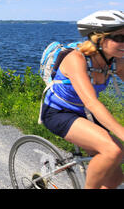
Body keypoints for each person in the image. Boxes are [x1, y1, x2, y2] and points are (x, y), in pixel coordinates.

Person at [41, 10, 124, 189]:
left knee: (115, 178)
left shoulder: (116, 61)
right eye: (119, 37)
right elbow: (92, 102)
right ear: (99, 38)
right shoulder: (76, 59)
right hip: (58, 113)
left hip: (84, 114)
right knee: (113, 150)